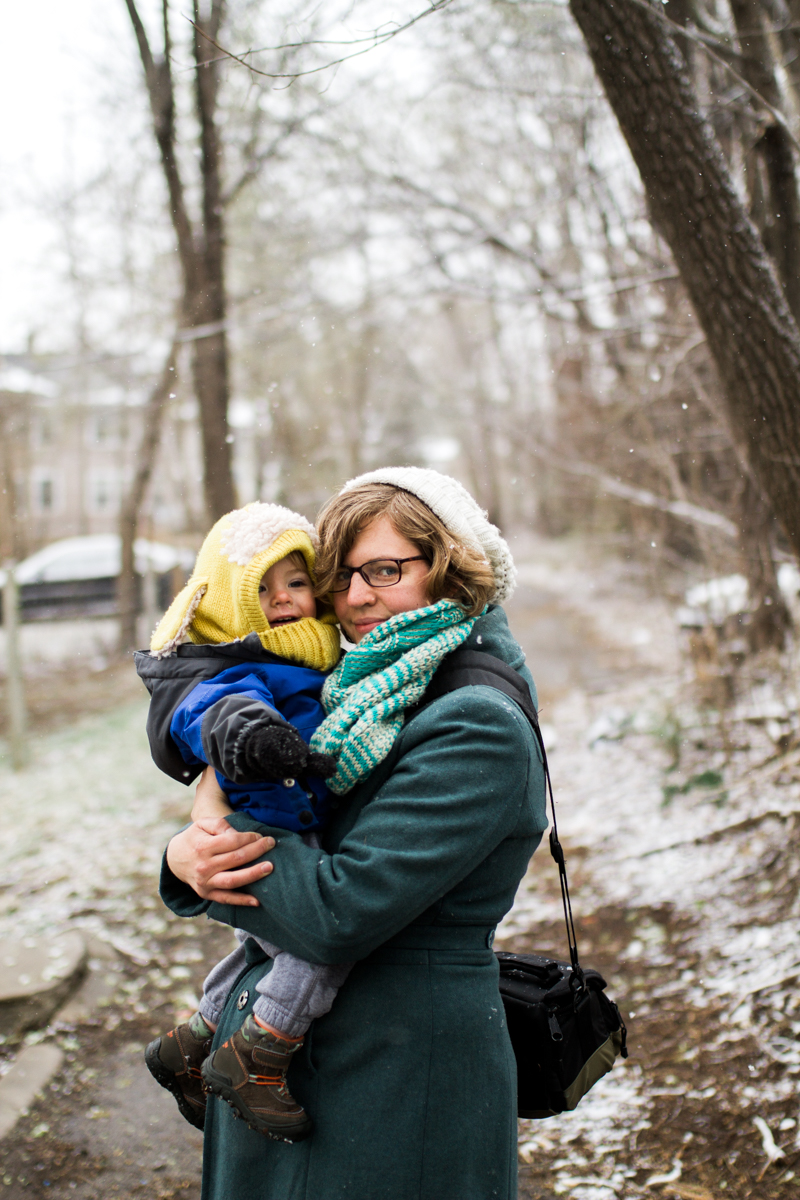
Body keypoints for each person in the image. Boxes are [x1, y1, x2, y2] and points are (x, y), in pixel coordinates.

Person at [160, 467, 548, 1200]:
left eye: (385, 570)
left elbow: (336, 912)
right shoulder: (357, 688)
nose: (358, 597)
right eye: (341, 576)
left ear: (452, 568)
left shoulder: (474, 721)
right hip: (328, 1061)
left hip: (392, 1079)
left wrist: (218, 818)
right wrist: (186, 860)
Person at [135, 502, 345, 1141]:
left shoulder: (316, 655)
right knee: (319, 947)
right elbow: (213, 709)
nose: (283, 600)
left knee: (260, 945)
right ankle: (260, 1050)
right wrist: (251, 736)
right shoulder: (240, 664)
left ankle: (192, 1040)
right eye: (262, 587)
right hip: (267, 829)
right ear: (232, 598)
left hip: (290, 821)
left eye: (298, 582)